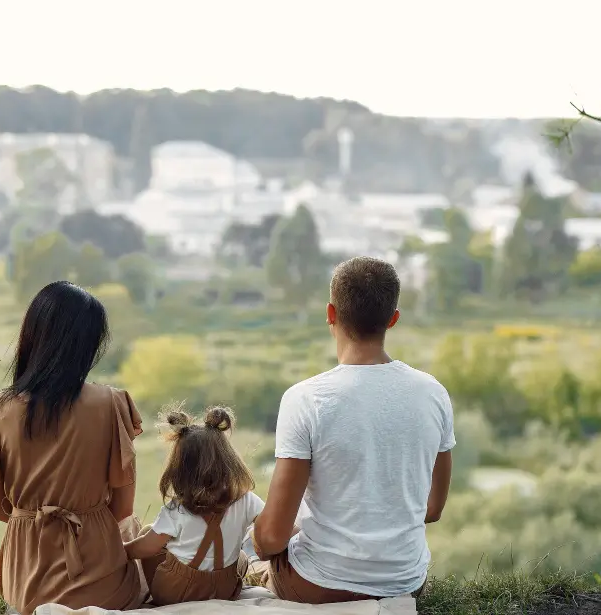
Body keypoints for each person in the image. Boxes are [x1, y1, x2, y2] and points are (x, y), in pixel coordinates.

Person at [253, 256, 454, 604]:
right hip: (405, 581)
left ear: (330, 314)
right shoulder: (432, 392)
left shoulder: (305, 398)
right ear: (393, 319)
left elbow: (271, 538)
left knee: (249, 548)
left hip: (317, 584)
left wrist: (255, 541)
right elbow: (433, 509)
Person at [0, 281, 144, 615]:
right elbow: (122, 509)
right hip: (103, 588)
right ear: (88, 345)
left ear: (32, 337)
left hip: (25, 588)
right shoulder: (112, 404)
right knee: (136, 532)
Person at [125, 406, 264, 606]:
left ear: (180, 468)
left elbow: (147, 548)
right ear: (228, 461)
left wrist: (124, 550)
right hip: (225, 589)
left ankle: (155, 596)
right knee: (240, 555)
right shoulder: (247, 500)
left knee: (150, 535)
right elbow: (271, 521)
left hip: (175, 593)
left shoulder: (177, 510)